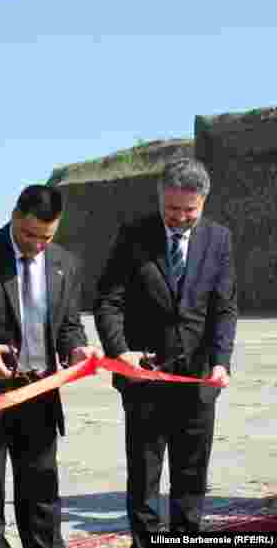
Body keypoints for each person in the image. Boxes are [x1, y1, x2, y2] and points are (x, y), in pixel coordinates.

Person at [0, 184, 101, 548]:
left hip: (40, 394)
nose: (37, 244)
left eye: (46, 237)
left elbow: (67, 325)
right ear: (15, 216)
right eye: (29, 234)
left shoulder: (65, 262)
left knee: (42, 496)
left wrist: (77, 348)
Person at [93, 158, 235, 545]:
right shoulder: (133, 235)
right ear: (160, 198)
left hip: (199, 378)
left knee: (192, 478)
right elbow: (109, 301)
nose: (180, 218)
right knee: (145, 475)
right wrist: (119, 351)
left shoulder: (218, 238)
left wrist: (221, 363)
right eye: (172, 209)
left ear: (203, 202)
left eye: (189, 210)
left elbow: (223, 307)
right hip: (145, 378)